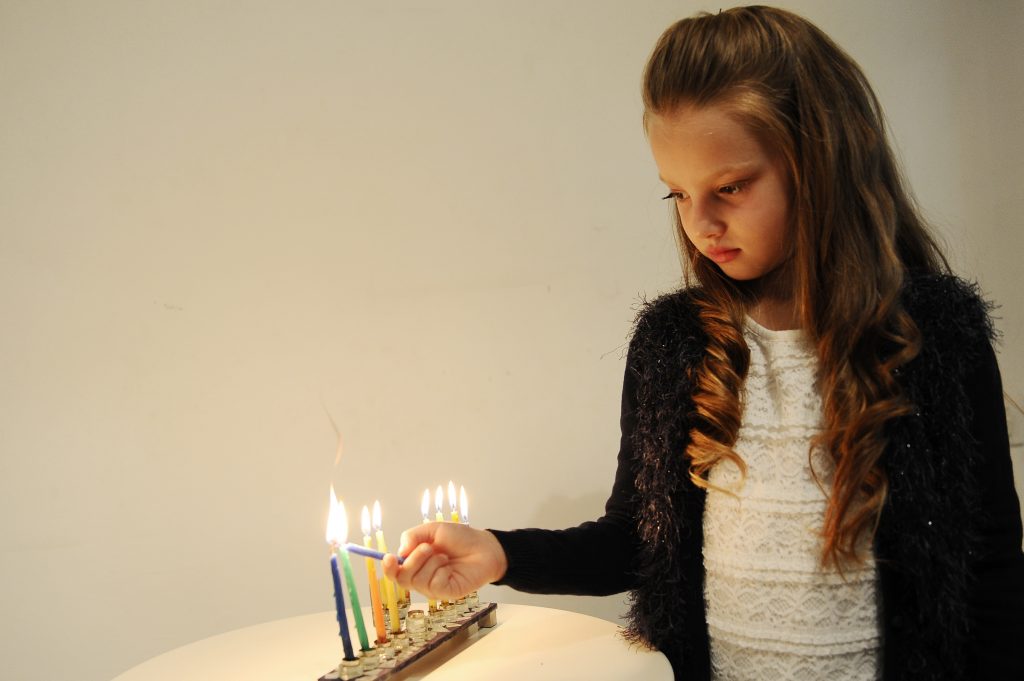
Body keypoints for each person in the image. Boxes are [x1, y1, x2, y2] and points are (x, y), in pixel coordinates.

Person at [383, 6, 1024, 680]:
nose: (701, 223)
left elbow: (992, 575)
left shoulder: (936, 337)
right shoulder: (673, 345)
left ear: (820, 162)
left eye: (730, 187)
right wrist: (500, 552)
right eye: (676, 195)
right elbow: (638, 539)